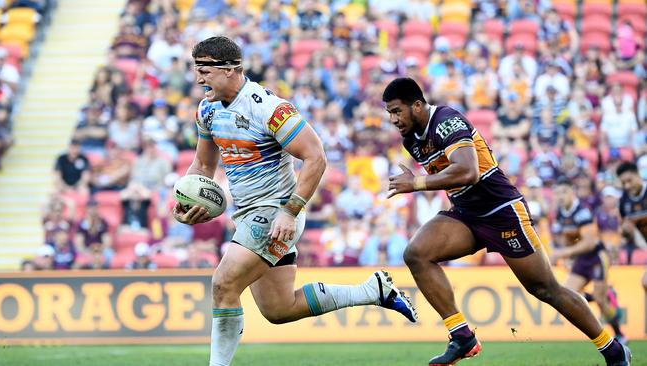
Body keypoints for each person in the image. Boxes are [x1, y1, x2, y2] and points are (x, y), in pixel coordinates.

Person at [173, 36, 416, 366]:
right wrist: (187, 200)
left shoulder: (268, 108)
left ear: (230, 70)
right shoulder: (207, 110)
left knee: (223, 284)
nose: (198, 78)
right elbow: (202, 165)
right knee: (279, 309)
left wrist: (290, 211)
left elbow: (315, 156)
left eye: (204, 70)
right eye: (195, 69)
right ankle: (373, 291)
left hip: (276, 212)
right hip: (247, 214)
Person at [382, 77, 631, 366]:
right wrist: (422, 184)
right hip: (467, 214)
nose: (392, 119)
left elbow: (468, 172)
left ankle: (612, 350)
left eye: (396, 111)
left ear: (416, 105)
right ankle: (461, 336)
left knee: (545, 289)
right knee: (416, 253)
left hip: (502, 210)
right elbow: (452, 180)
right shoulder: (411, 139)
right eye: (389, 113)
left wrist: (417, 183)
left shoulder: (446, 121)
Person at [551, 178, 625, 344]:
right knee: (566, 295)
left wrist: (564, 253)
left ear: (571, 192)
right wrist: (568, 256)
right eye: (557, 193)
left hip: (596, 257)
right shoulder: (560, 213)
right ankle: (607, 293)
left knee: (600, 301)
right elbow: (565, 238)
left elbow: (589, 242)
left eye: (563, 192)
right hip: (581, 259)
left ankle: (620, 334)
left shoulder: (582, 212)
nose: (560, 197)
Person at [616, 162, 647, 292]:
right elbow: (624, 229)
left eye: (630, 180)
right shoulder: (624, 201)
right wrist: (625, 231)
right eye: (623, 183)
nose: (627, 185)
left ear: (638, 174)